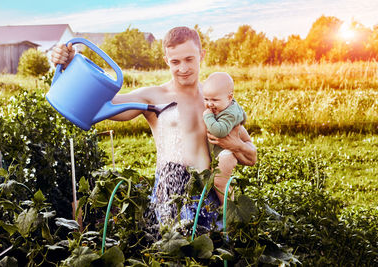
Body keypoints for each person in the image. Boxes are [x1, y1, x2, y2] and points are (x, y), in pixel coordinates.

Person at [51, 26, 257, 230]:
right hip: (170, 194)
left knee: (214, 255)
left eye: (189, 59)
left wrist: (235, 144)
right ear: (166, 60)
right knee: (173, 257)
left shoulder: (215, 100)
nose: (183, 68)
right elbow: (104, 102)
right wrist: (71, 65)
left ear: (201, 55)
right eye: (175, 61)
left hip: (209, 192)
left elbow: (251, 156)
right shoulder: (154, 97)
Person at [202, 72, 246, 205]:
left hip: (227, 155)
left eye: (214, 100)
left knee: (219, 182)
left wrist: (207, 116)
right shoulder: (230, 107)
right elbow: (244, 116)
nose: (209, 104)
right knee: (220, 181)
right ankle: (227, 205)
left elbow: (219, 131)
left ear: (229, 97)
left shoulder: (229, 114)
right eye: (206, 99)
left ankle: (227, 208)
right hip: (221, 154)